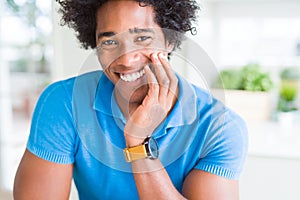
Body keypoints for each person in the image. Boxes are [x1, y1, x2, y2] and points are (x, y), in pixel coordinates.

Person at [13, 0, 248, 199]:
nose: (125, 59)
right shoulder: (64, 102)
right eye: (109, 42)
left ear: (170, 41)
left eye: (142, 38)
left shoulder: (220, 127)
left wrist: (138, 143)